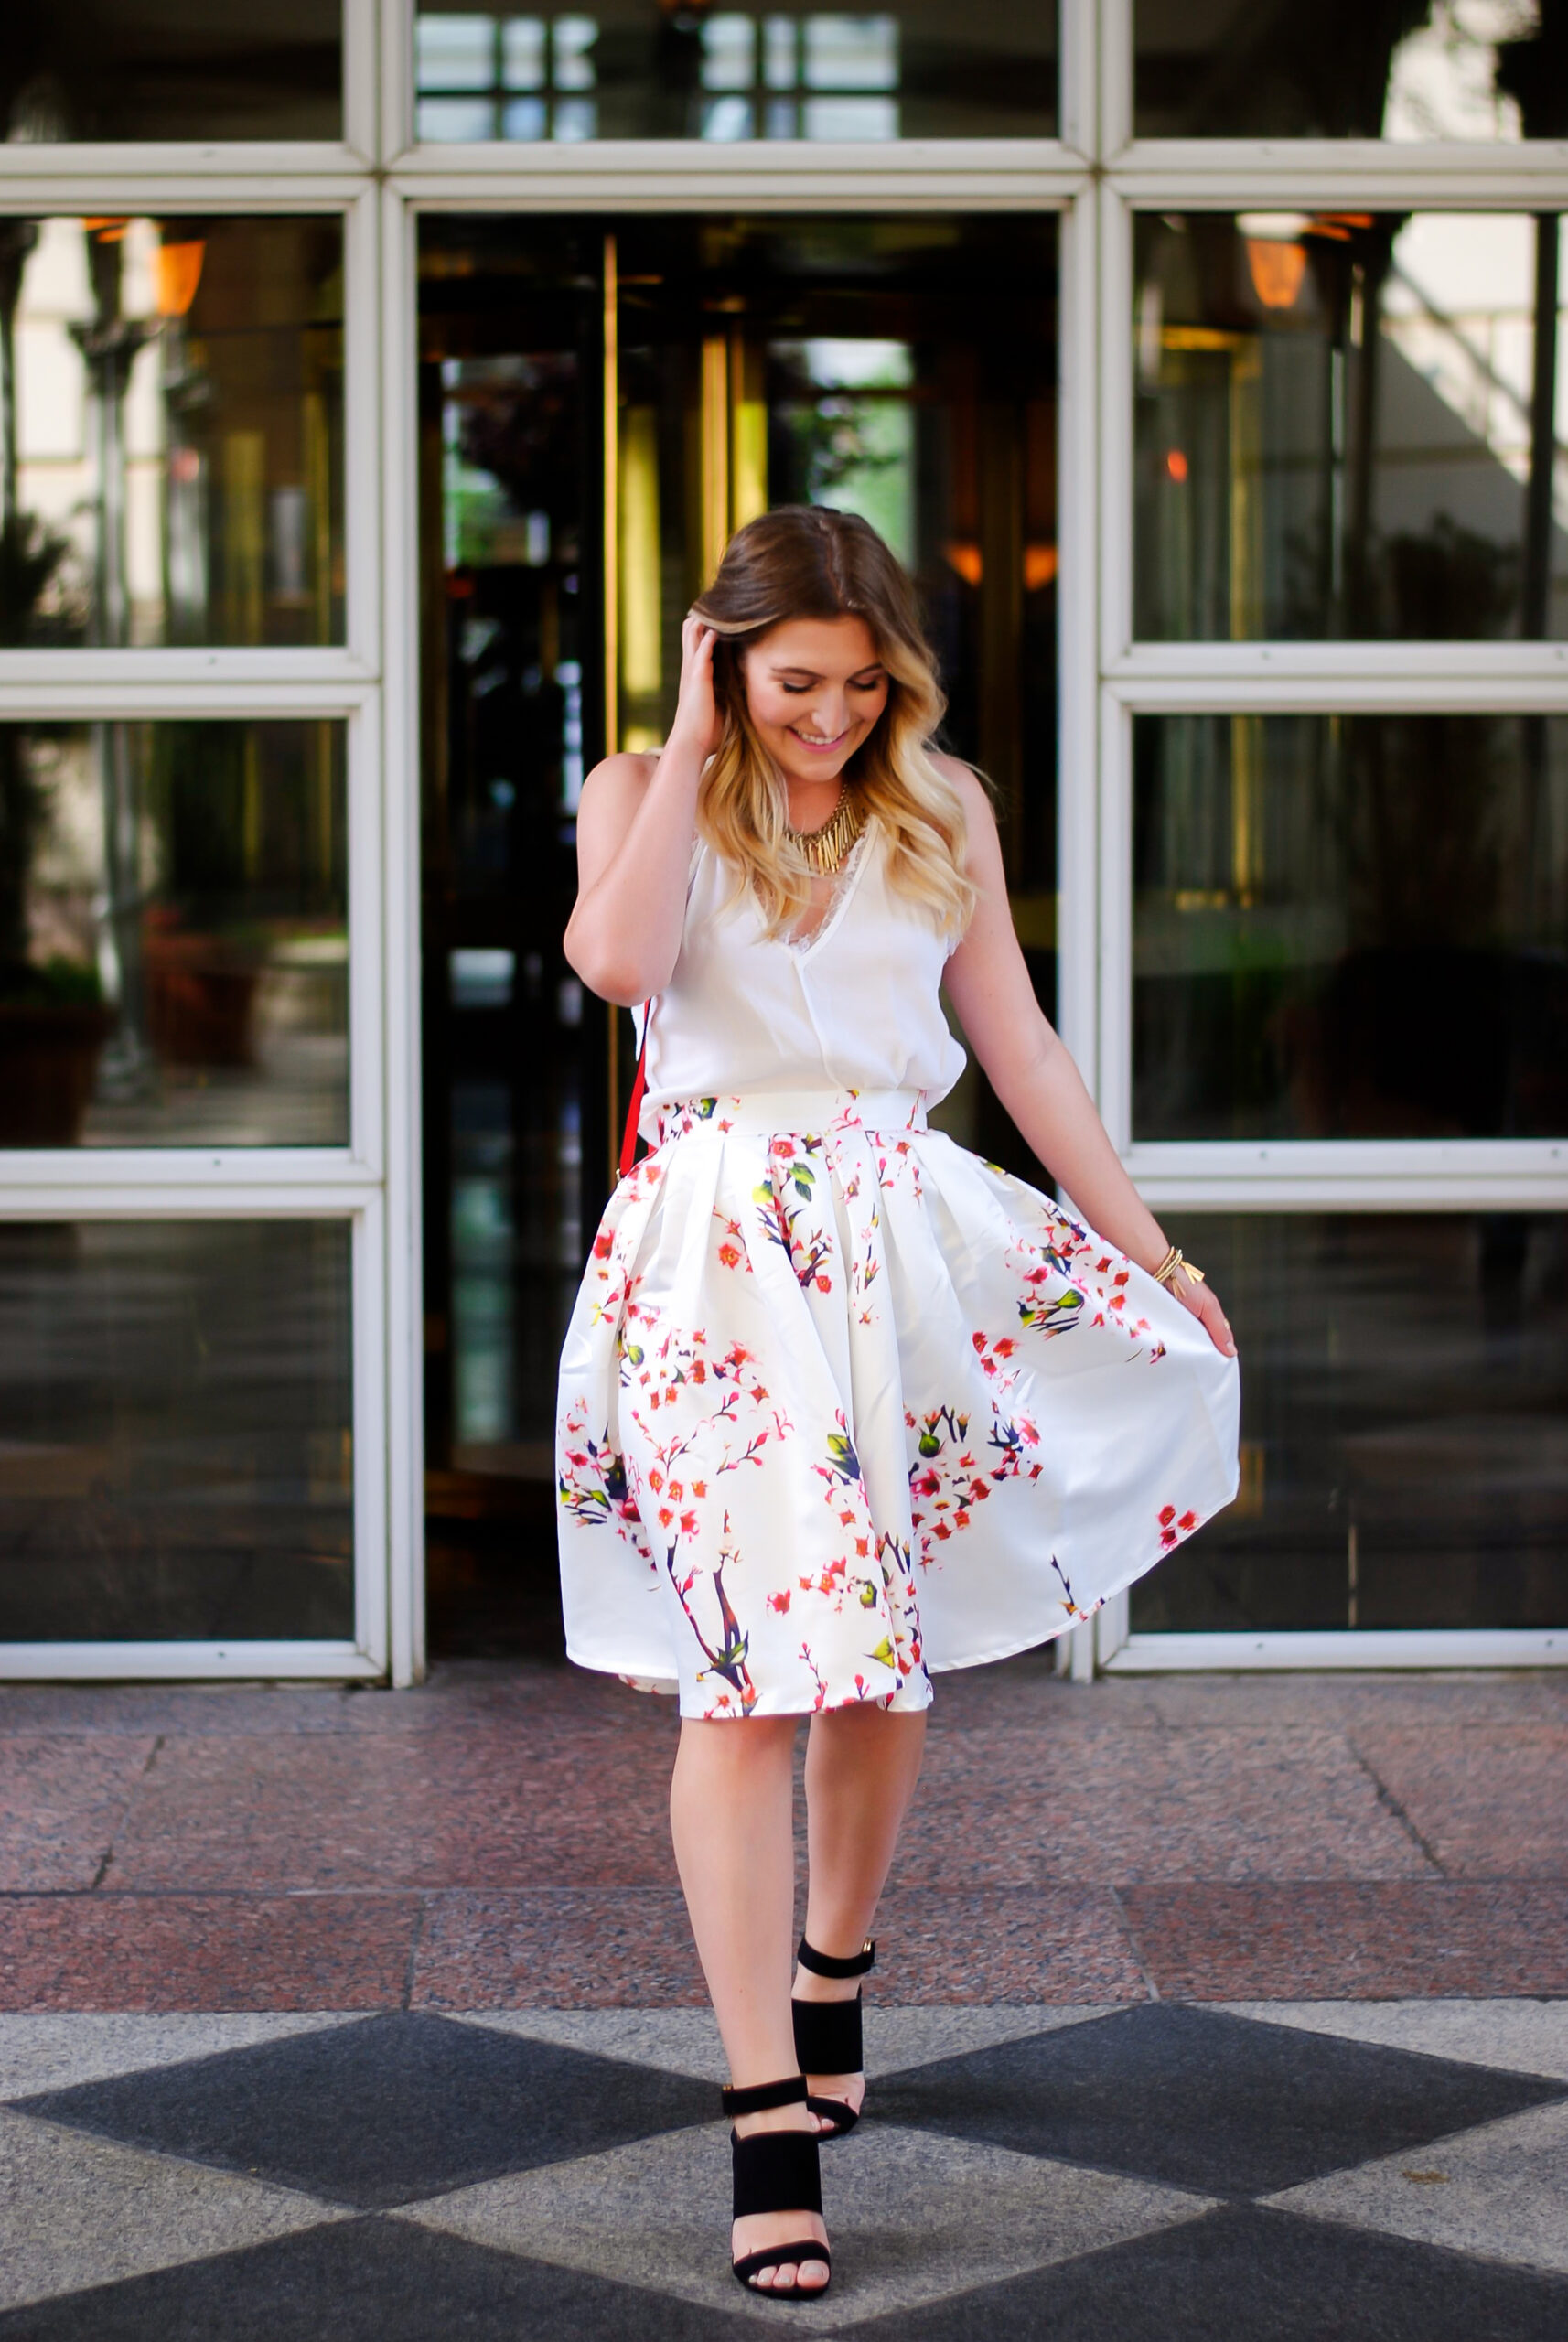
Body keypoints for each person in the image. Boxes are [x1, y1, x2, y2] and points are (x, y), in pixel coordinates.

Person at [557, 505, 1240, 2302]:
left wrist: (1155, 1258)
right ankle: (763, 2111)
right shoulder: (642, 785)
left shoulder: (942, 807)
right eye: (792, 681)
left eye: (860, 684)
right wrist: (696, 730)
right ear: (719, 652)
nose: (829, 715)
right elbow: (619, 968)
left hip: (894, 1254)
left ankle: (834, 1958)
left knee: (875, 1653)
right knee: (745, 1683)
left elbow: (1016, 1044)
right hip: (710, 1277)